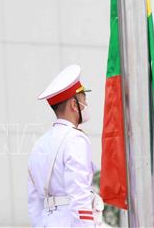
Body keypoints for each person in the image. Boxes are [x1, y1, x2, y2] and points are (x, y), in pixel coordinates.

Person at [28, 64, 102, 227]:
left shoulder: (39, 144)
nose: (86, 103)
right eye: (84, 98)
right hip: (70, 221)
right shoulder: (75, 139)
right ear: (74, 105)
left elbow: (34, 202)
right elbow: (79, 194)